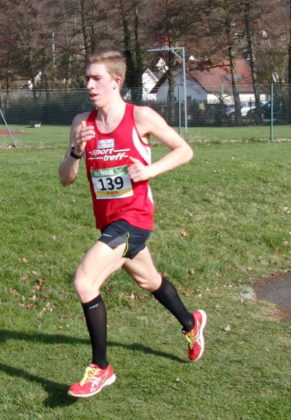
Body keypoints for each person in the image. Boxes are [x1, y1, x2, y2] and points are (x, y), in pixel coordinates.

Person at [59, 49, 207, 399]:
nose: (90, 85)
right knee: (149, 280)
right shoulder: (82, 122)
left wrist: (149, 170)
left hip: (135, 218)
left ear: (116, 81)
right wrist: (75, 152)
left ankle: (100, 367)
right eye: (87, 78)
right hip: (109, 221)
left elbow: (184, 150)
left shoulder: (140, 116)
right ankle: (192, 323)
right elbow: (65, 179)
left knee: (84, 281)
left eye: (96, 78)